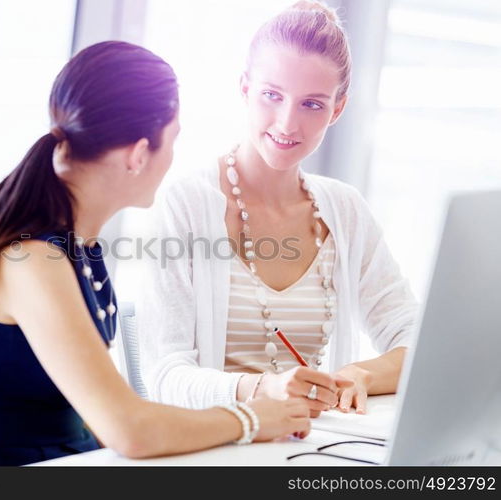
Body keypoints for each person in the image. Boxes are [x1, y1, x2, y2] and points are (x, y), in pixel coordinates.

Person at [0, 41, 311, 466]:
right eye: (172, 141)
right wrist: (250, 419)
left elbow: (109, 420)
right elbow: (127, 431)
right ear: (137, 154)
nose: (172, 157)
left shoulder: (75, 244)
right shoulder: (33, 262)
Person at [137, 1, 418, 418]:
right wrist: (262, 388)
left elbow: (415, 336)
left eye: (312, 104)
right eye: (272, 95)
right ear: (245, 88)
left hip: (307, 448)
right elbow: (165, 376)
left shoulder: (344, 211)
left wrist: (361, 374)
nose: (287, 123)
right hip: (214, 452)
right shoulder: (186, 204)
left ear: (337, 109)